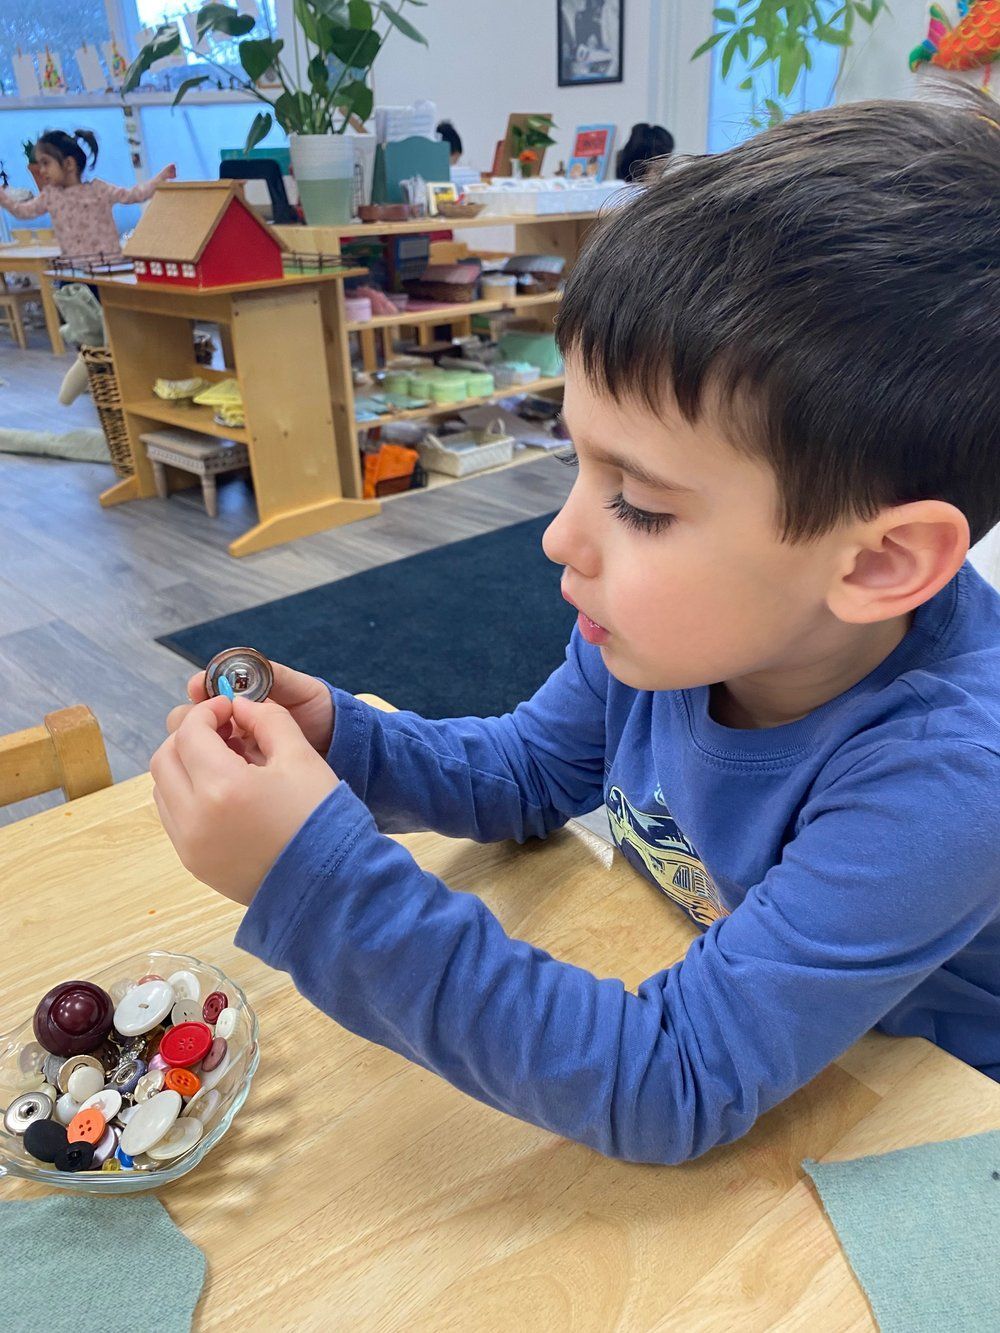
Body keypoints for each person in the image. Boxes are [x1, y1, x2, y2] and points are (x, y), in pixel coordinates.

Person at [152, 92, 1000, 1165]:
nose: (561, 539)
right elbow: (525, 771)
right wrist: (347, 745)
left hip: (930, 1120)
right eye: (575, 463)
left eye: (638, 503)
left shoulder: (952, 776)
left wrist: (314, 884)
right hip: (770, 1025)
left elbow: (672, 1081)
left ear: (878, 561)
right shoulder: (662, 638)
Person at [0, 129, 175, 258]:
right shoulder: (51, 196)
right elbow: (22, 211)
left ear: (69, 163)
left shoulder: (99, 189)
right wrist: (3, 198)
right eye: (39, 164)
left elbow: (133, 195)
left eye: (46, 163)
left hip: (109, 266)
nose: (42, 170)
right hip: (74, 272)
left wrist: (159, 179)